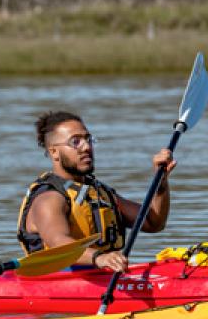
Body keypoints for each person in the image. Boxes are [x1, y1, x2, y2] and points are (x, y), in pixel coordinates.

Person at [17, 110, 175, 273]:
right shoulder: (49, 198)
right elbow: (59, 244)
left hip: (103, 279)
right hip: (57, 284)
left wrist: (161, 183)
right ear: (54, 152)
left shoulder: (98, 193)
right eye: (75, 142)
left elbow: (153, 223)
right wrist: (99, 258)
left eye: (88, 139)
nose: (86, 147)